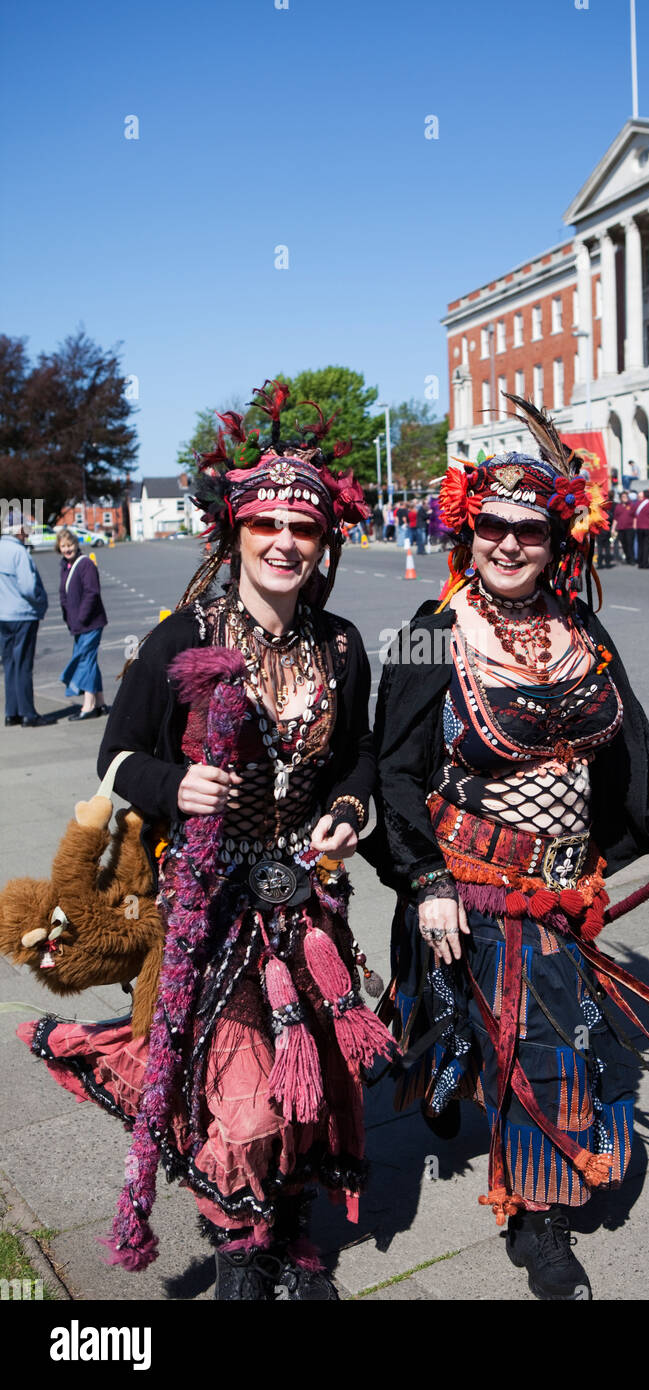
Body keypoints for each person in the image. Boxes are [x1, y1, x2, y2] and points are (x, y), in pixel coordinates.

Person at [371, 397, 649, 1302]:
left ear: (562, 543)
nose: (509, 546)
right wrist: (426, 878)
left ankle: (515, 1175)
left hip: (567, 890)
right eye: (493, 529)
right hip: (472, 886)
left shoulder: (583, 633)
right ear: (467, 531)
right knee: (518, 1044)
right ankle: (535, 1217)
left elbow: (627, 743)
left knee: (549, 1046)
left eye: (532, 532)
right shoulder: (426, 632)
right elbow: (390, 771)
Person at [17, 382, 392, 1298]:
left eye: (302, 531)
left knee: (310, 1075)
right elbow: (114, 759)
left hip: (306, 901)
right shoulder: (184, 634)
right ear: (235, 534)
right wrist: (172, 785)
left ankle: (294, 1232)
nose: (283, 544)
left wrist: (350, 806)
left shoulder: (342, 647)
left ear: (323, 543)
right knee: (238, 1093)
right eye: (265, 525)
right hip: (206, 905)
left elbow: (359, 756)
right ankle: (237, 1248)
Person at [56, 527, 108, 721]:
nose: (67, 549)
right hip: (77, 624)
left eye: (70, 545)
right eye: (63, 546)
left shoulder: (85, 564)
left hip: (90, 622)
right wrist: (70, 619)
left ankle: (89, 705)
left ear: (77, 545)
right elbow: (64, 595)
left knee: (85, 660)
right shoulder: (65, 565)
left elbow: (92, 592)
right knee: (90, 660)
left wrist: (81, 617)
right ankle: (101, 702)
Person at [0, 517, 48, 727]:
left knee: (9, 663)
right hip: (22, 615)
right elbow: (28, 587)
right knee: (23, 665)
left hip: (3, 615)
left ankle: (12, 713)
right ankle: (28, 713)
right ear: (17, 530)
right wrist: (40, 601)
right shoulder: (19, 552)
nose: (27, 533)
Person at [633, 490, 649, 569]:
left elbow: (635, 514)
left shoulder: (637, 504)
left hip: (639, 527)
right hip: (648, 527)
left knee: (640, 545)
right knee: (647, 546)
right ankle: (645, 563)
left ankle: (640, 563)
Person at [613, 490, 635, 564]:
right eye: (623, 497)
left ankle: (632, 559)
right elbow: (615, 518)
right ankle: (628, 558)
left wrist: (635, 526)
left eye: (626, 497)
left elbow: (635, 516)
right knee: (624, 544)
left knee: (630, 543)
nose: (624, 498)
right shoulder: (618, 507)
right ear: (620, 498)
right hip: (621, 528)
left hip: (629, 528)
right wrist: (613, 528)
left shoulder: (631, 505)